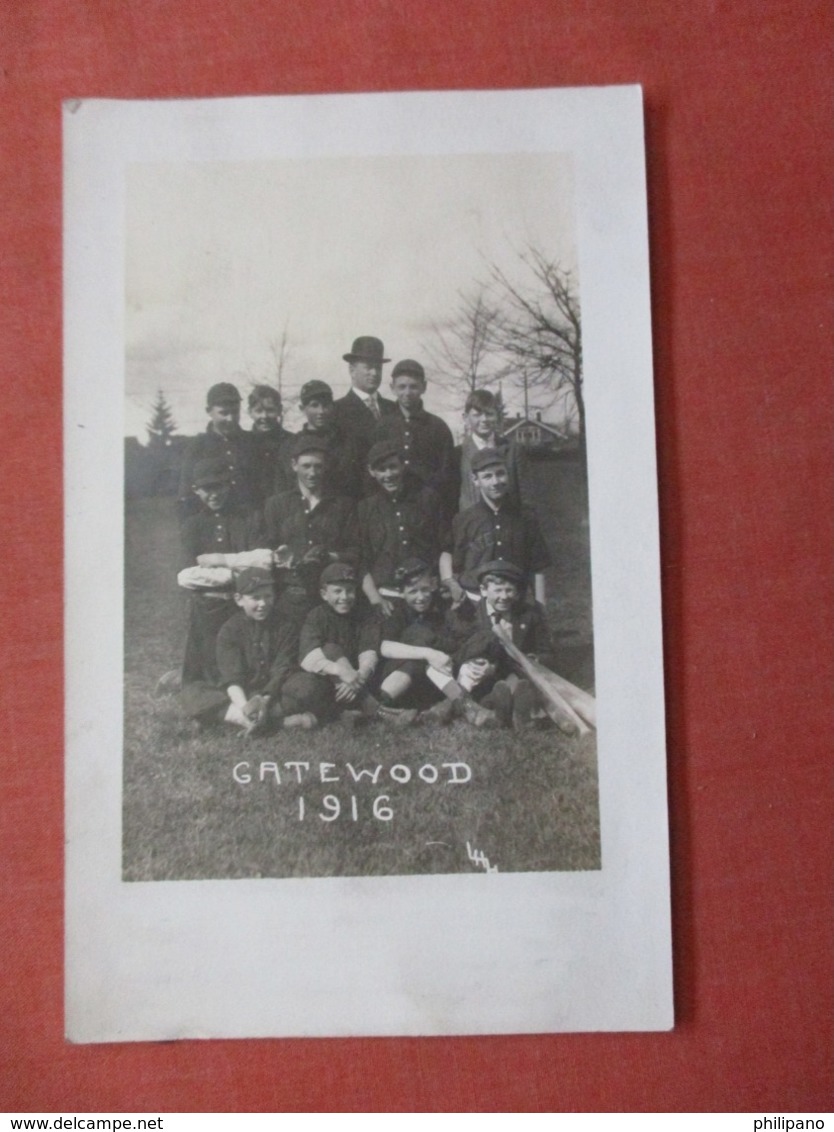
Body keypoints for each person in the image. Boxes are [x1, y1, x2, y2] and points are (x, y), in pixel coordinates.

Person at [180, 567, 325, 732]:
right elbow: (232, 678)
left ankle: (227, 720)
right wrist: (246, 707)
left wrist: (264, 700)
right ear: (239, 599)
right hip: (241, 694)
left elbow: (282, 669)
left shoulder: (286, 626)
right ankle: (267, 722)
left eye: (268, 596)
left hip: (274, 693)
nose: (262, 604)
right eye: (255, 598)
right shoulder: (230, 630)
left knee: (309, 685)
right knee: (193, 692)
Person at [172, 458, 265, 705]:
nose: (214, 494)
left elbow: (259, 562)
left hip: (241, 603)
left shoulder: (246, 519)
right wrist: (234, 570)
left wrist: (220, 565)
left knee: (244, 660)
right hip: (208, 607)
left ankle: (240, 690)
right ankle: (210, 696)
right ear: (196, 490)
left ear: (229, 485)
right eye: (207, 489)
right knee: (206, 667)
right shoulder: (193, 525)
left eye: (220, 487)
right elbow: (188, 574)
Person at [376, 559, 497, 727]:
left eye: (425, 590)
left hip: (442, 673)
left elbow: (462, 639)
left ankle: (451, 704)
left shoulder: (442, 606)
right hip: (406, 677)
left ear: (433, 586)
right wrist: (429, 654)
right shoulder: (396, 611)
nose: (421, 597)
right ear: (401, 593)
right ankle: (464, 704)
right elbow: (384, 647)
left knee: (484, 638)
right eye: (413, 592)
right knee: (418, 635)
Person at [298, 563, 417, 726]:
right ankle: (378, 710)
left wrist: (358, 678)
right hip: (333, 683)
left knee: (409, 664)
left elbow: (369, 649)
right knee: (330, 649)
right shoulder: (316, 616)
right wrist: (341, 672)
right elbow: (307, 656)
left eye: (350, 590)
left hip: (361, 678)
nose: (345, 597)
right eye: (337, 591)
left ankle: (362, 710)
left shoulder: (364, 613)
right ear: (324, 594)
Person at [263, 434, 358, 635]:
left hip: (332, 599)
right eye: (306, 466)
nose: (312, 473)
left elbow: (356, 551)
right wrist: (279, 555)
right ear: (294, 465)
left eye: (318, 466)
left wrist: (330, 556)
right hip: (290, 597)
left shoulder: (343, 505)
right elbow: (266, 548)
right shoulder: (276, 505)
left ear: (326, 467)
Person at [452, 560, 556, 730]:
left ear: (517, 592)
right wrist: (482, 665)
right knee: (470, 670)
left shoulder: (528, 615)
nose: (504, 596)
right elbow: (459, 649)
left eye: (509, 590)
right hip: (479, 675)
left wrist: (535, 659)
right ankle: (489, 704)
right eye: (498, 590)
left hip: (514, 671)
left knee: (519, 682)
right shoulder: (469, 615)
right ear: (484, 590)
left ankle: (513, 711)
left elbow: (547, 652)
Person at [443, 446, 551, 604]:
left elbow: (538, 567)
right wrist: (450, 582)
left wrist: (540, 606)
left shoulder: (525, 518)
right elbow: (447, 552)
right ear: (475, 480)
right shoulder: (464, 519)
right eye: (487, 476)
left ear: (508, 475)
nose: (495, 482)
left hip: (512, 600)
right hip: (474, 601)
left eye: (500, 474)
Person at [357, 438, 450, 616]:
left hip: (427, 595)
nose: (388, 474)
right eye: (381, 469)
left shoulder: (428, 499)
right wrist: (375, 598)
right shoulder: (366, 508)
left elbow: (445, 545)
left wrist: (442, 582)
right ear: (371, 472)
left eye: (393, 467)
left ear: (403, 466)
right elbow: (362, 559)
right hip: (388, 597)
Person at [373, 359, 456, 517]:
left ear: (424, 387)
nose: (408, 392)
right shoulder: (383, 427)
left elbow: (447, 476)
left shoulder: (438, 427)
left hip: (428, 510)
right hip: (391, 510)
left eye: (414, 386)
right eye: (402, 387)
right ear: (392, 388)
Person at [177, 382, 257, 518]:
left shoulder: (253, 442)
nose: (230, 419)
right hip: (213, 526)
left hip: (250, 523)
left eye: (235, 412)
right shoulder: (197, 447)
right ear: (209, 411)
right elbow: (186, 496)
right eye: (223, 413)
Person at [289, 379, 366, 499]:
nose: (321, 411)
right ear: (302, 408)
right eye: (314, 405)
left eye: (325, 405)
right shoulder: (291, 444)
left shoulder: (348, 441)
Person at [456, 388, 522, 511]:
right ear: (466, 418)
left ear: (497, 416)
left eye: (489, 414)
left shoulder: (512, 450)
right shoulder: (457, 454)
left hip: (508, 522)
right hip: (472, 525)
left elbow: (525, 494)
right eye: (477, 415)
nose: (484, 419)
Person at [332, 336, 397, 455]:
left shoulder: (393, 409)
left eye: (378, 368)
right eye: (368, 367)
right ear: (352, 370)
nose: (374, 373)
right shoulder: (336, 411)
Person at [246, 384, 295, 506]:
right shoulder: (244, 442)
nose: (264, 416)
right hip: (253, 512)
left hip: (286, 510)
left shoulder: (292, 441)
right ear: (250, 412)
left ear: (279, 410)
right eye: (258, 411)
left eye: (270, 410)